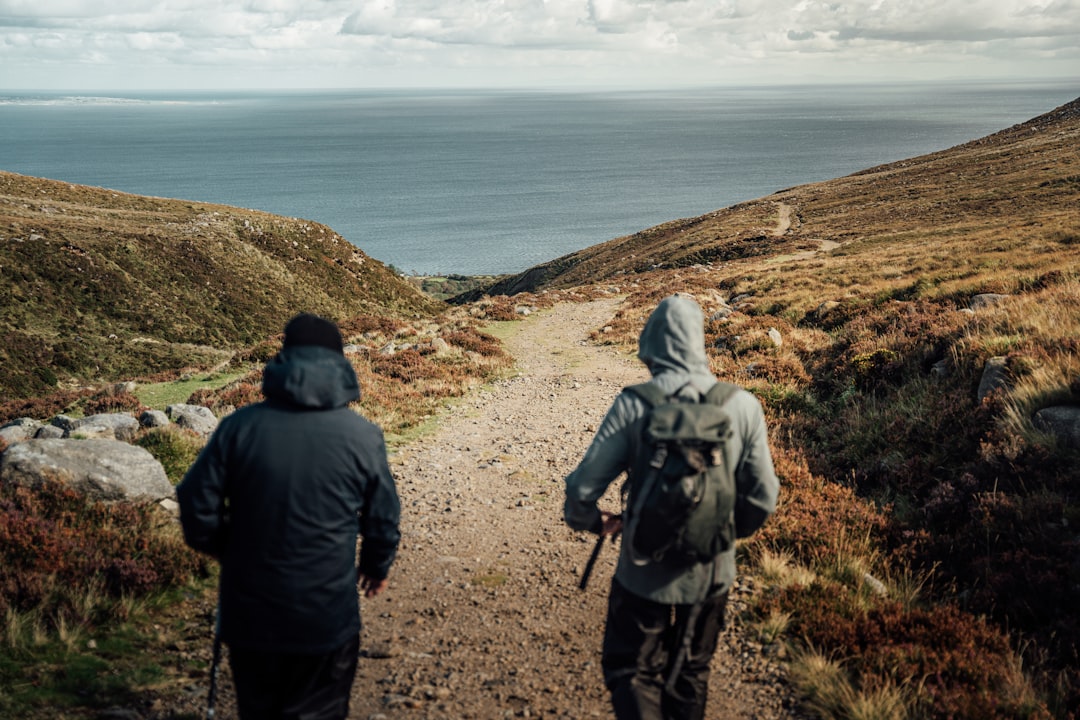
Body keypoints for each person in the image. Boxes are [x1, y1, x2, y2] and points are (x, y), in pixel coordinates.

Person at [564, 294, 779, 720]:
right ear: (699, 342)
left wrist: (591, 521)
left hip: (641, 570)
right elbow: (763, 497)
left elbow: (582, 487)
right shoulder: (742, 406)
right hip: (712, 572)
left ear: (652, 344)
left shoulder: (635, 404)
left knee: (633, 671)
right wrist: (718, 532)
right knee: (691, 673)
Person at [177, 312, 401, 720]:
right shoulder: (362, 435)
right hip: (326, 616)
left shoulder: (238, 427)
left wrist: (229, 548)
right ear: (339, 364)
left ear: (284, 359)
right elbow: (383, 517)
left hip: (251, 617)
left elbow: (195, 503)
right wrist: (375, 565)